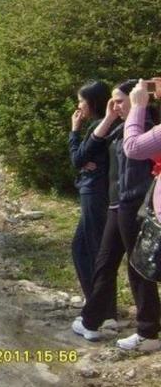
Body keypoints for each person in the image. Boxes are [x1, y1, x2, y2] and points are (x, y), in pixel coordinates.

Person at [72, 80, 160, 351]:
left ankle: (148, 331)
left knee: (138, 268)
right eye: (112, 101)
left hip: (135, 202)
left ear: (137, 99)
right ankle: (92, 319)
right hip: (118, 202)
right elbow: (84, 153)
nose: (115, 106)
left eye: (120, 101)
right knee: (105, 262)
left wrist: (137, 106)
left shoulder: (145, 125)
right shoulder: (121, 126)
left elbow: (134, 148)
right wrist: (109, 117)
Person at [68, 80, 114, 321]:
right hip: (93, 190)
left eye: (81, 101)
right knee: (81, 248)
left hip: (95, 193)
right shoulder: (102, 125)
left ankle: (105, 311)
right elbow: (81, 160)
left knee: (95, 250)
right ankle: (95, 301)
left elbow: (77, 159)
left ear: (92, 102)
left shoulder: (98, 127)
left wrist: (74, 131)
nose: (78, 106)